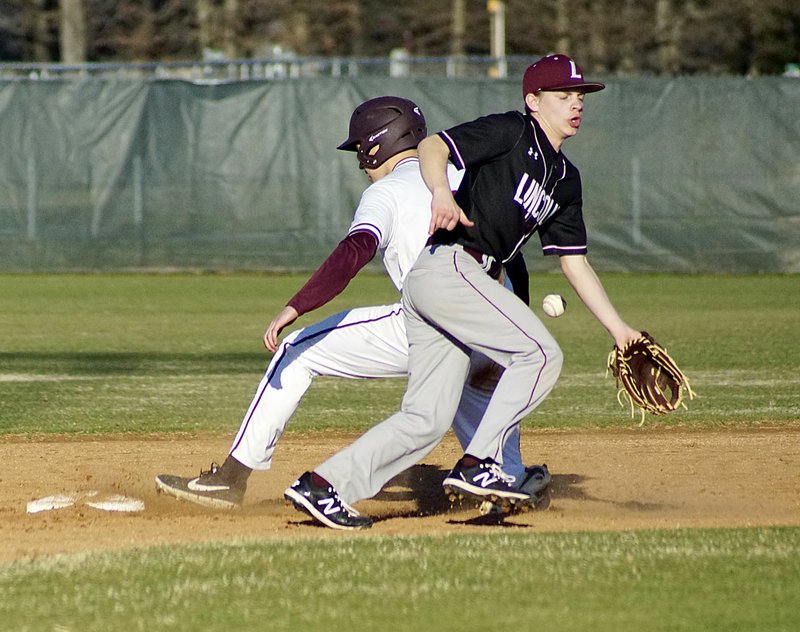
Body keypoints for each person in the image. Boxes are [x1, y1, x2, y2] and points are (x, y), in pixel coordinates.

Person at [284, 54, 641, 529]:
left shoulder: (565, 180)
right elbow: (434, 146)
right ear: (533, 100)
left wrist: (620, 331)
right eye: (563, 95)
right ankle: (481, 464)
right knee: (540, 354)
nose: (576, 104)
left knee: (426, 419)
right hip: (450, 265)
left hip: (451, 283)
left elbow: (574, 263)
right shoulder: (513, 131)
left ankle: (323, 486)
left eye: (580, 96)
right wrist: (441, 193)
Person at [154, 96, 549, 525]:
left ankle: (230, 479)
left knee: (296, 350)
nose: (361, 163)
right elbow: (511, 254)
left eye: (360, 149)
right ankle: (508, 476)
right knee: (471, 388)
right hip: (489, 321)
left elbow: (355, 250)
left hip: (428, 321)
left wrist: (298, 304)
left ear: (374, 148)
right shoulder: (458, 175)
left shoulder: (388, 189)